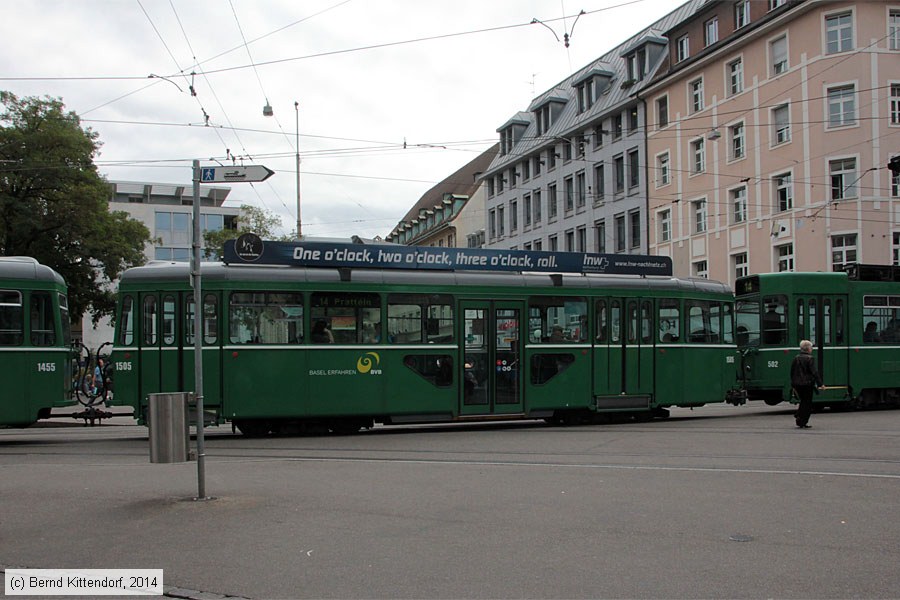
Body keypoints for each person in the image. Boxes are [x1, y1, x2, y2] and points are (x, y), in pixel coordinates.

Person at [790, 340, 824, 429]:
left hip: (797, 383)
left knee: (803, 400)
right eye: (811, 347)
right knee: (807, 402)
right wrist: (820, 384)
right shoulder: (810, 358)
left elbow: (792, 371)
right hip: (807, 383)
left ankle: (799, 415)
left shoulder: (796, 358)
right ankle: (802, 420)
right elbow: (814, 372)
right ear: (808, 349)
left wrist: (793, 383)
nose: (811, 349)